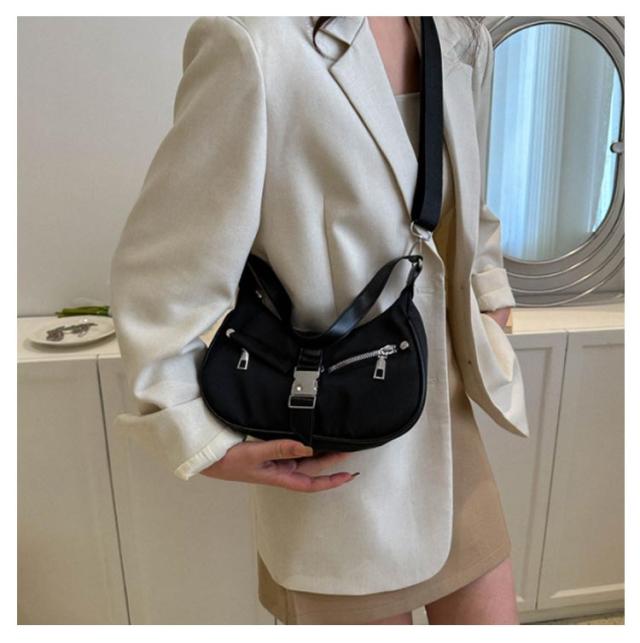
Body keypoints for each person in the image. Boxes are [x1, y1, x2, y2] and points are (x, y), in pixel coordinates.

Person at [110, 16, 528, 625]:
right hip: (333, 433)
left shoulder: (456, 30)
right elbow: (164, 266)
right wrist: (193, 433)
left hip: (451, 421)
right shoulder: (253, 40)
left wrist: (490, 295)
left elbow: (468, 195)